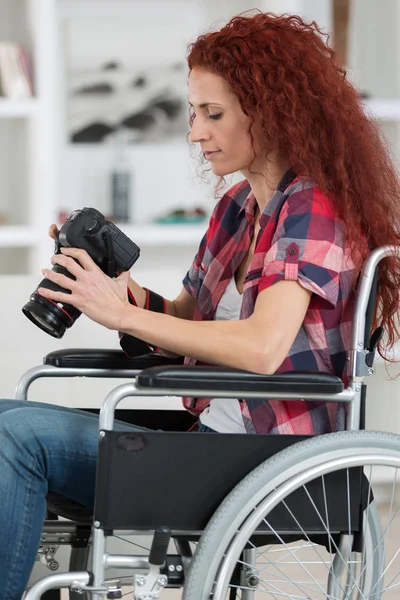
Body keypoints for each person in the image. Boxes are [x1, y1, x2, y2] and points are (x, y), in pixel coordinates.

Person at [2, 10, 400, 597]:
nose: (195, 132)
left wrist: (124, 315)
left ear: (272, 112)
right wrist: (118, 294)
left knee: (18, 439)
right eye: (193, 112)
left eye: (213, 114)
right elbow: (187, 319)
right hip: (208, 436)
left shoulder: (313, 206)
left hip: (264, 454)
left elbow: (263, 347)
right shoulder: (239, 207)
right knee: (6, 415)